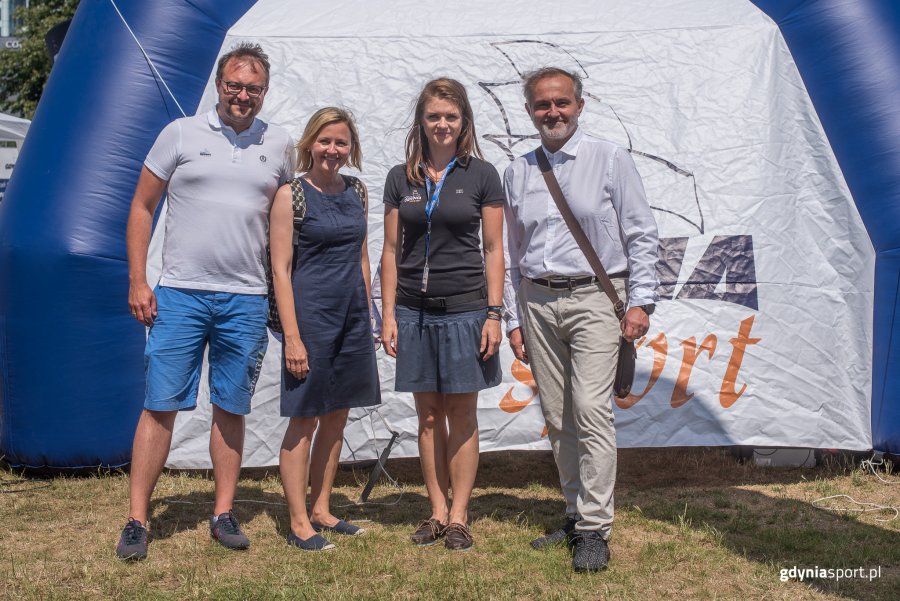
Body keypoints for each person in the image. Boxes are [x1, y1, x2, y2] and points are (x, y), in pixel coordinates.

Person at [116, 43, 294, 561]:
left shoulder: (279, 144)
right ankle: (136, 519)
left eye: (253, 88)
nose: (243, 96)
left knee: (231, 408)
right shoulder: (180, 133)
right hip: (180, 293)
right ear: (219, 85)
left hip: (244, 298)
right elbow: (142, 207)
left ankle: (223, 511)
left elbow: (284, 225)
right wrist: (137, 279)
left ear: (265, 92)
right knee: (160, 406)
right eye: (235, 85)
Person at [502, 67, 659, 572]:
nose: (553, 113)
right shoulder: (517, 170)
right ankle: (573, 513)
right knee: (557, 415)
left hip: (596, 298)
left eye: (562, 103)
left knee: (591, 409)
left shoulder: (610, 158)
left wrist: (642, 302)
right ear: (529, 111)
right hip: (537, 301)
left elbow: (642, 234)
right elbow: (509, 251)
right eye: (543, 105)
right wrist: (512, 317)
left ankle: (594, 528)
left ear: (580, 105)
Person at [380, 79, 505, 551]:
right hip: (413, 312)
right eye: (434, 116)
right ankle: (435, 511)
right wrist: (388, 313)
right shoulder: (400, 177)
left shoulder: (482, 174)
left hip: (467, 309)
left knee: (463, 415)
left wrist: (494, 312)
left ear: (464, 121)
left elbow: (493, 249)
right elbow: (390, 251)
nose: (442, 124)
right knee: (428, 417)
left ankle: (459, 515)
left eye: (451, 116)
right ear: (422, 121)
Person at [270, 107, 380, 552]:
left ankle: (322, 508)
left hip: (352, 317)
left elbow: (363, 255)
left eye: (341, 142)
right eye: (325, 141)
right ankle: (298, 521)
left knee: (338, 415)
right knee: (305, 418)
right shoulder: (290, 195)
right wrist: (292, 337)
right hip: (311, 318)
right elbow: (280, 270)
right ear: (309, 144)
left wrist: (368, 311)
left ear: (350, 146)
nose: (333, 150)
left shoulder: (358, 191)